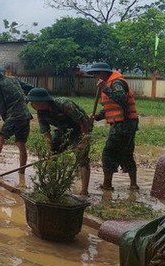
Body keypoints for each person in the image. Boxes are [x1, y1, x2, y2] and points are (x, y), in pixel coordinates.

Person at [26, 88, 92, 198]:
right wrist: (49, 151)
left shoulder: (64, 104)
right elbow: (46, 133)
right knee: (52, 155)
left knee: (82, 158)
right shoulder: (41, 113)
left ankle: (84, 191)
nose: (31, 104)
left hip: (80, 129)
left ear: (41, 101)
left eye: (32, 102)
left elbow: (82, 121)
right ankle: (53, 184)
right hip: (63, 130)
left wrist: (84, 140)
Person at [85, 62, 139, 190]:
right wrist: (99, 116)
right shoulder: (110, 84)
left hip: (123, 125)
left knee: (108, 153)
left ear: (102, 73)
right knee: (126, 153)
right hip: (126, 123)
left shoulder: (116, 83)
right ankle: (133, 185)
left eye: (95, 74)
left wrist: (105, 89)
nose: (94, 77)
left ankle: (107, 185)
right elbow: (112, 107)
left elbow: (121, 99)